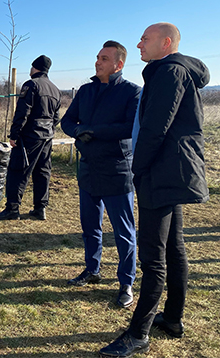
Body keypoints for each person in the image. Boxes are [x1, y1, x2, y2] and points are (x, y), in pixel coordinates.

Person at [99, 23, 210, 358]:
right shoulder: (173, 71)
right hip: (171, 172)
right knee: (174, 250)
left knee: (153, 258)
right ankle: (173, 320)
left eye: (145, 40)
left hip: (161, 173)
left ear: (165, 43)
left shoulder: (168, 72)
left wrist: (138, 168)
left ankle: (138, 334)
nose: (139, 44)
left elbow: (154, 128)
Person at [60, 41, 141, 308]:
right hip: (88, 168)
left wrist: (94, 131)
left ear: (119, 65)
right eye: (97, 57)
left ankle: (126, 283)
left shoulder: (131, 92)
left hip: (117, 170)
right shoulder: (85, 91)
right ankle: (92, 269)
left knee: (123, 231)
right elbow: (67, 121)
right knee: (90, 226)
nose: (98, 62)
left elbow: (130, 127)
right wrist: (76, 132)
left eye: (104, 59)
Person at [0, 55, 61, 221]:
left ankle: (12, 209)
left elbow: (23, 111)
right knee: (42, 172)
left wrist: (15, 134)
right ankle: (40, 208)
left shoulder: (31, 85)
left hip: (30, 136)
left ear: (35, 68)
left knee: (18, 171)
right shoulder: (55, 89)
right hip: (47, 137)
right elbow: (57, 117)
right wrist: (48, 130)